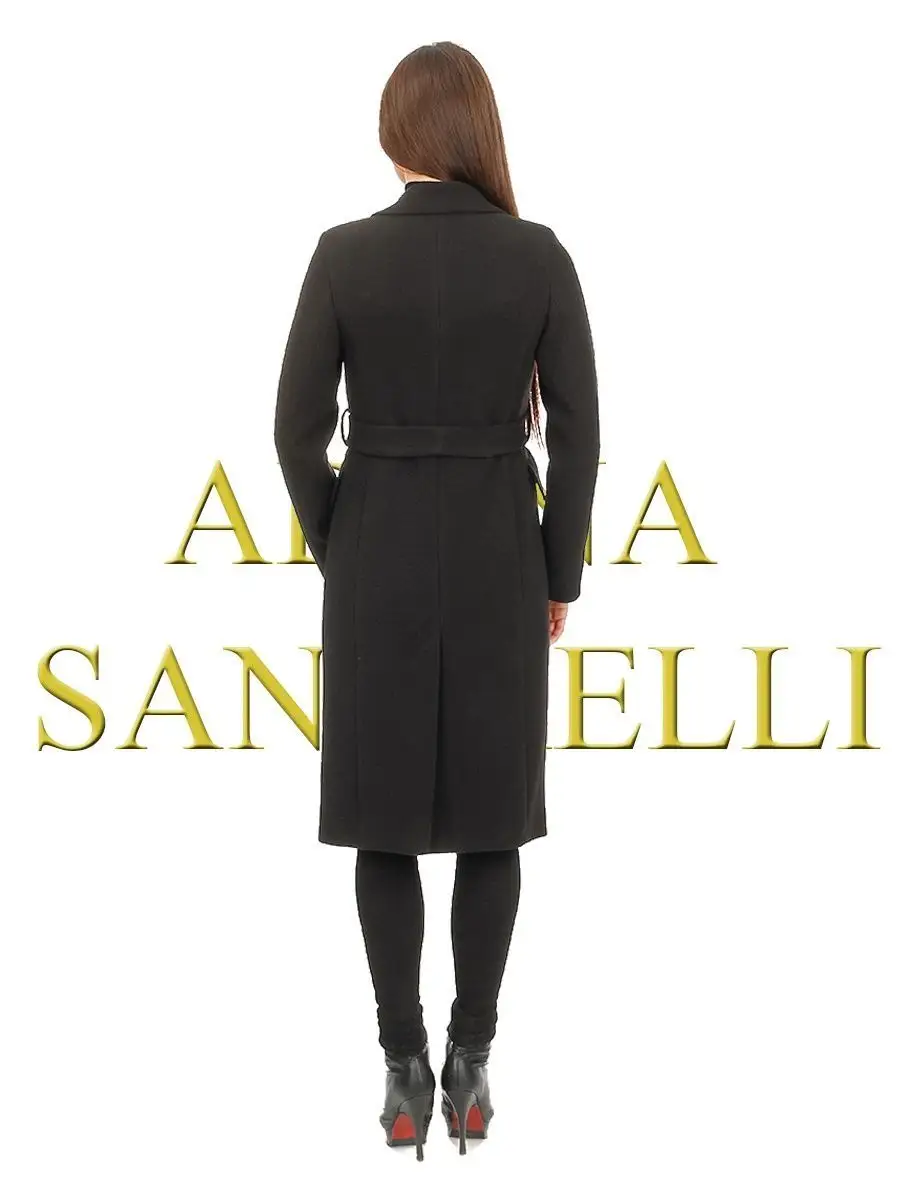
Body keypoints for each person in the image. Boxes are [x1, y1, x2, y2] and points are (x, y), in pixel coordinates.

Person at [274, 41, 600, 1160]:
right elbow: (579, 436)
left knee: (386, 822)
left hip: (380, 555)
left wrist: (341, 539)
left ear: (396, 132)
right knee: (491, 818)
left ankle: (402, 1067)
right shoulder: (539, 255)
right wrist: (558, 573)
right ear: (478, 129)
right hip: (503, 556)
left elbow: (294, 432)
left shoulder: (343, 256)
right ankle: (472, 1064)